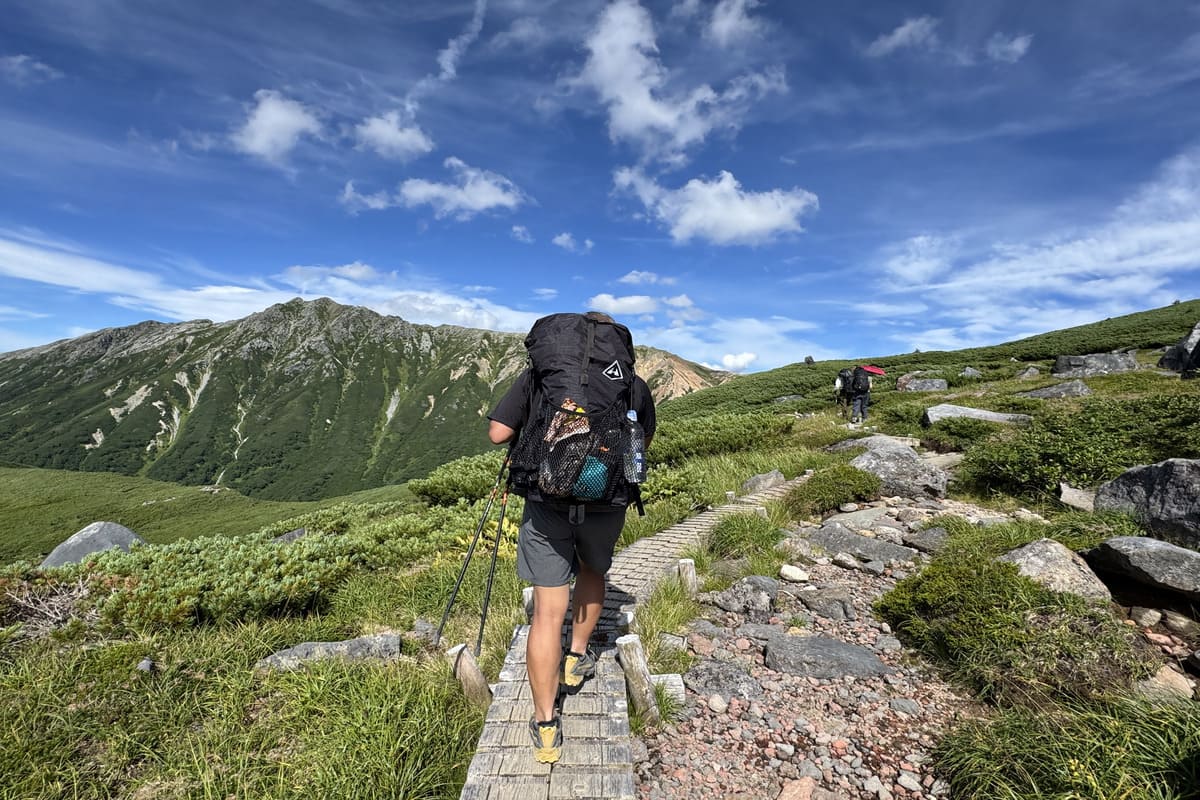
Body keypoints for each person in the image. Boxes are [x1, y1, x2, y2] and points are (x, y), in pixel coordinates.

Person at [487, 311, 657, 764]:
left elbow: (498, 433)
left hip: (545, 502)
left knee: (547, 613)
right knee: (593, 571)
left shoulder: (539, 376)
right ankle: (576, 656)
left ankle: (545, 725)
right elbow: (643, 440)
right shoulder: (632, 382)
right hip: (606, 499)